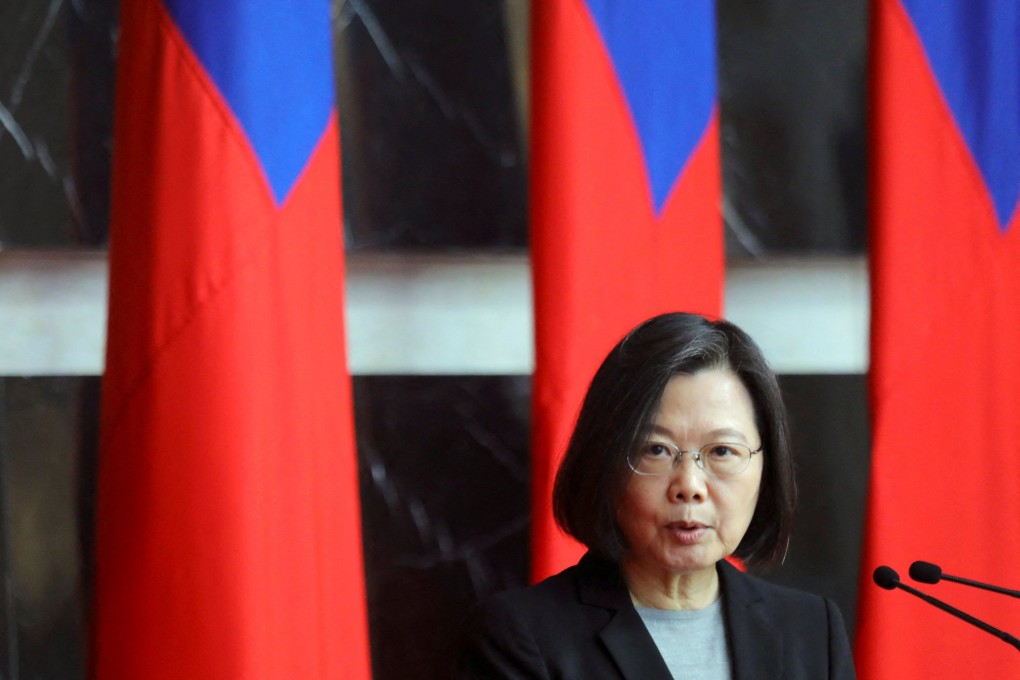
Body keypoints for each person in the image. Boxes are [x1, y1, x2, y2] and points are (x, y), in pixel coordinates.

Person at [456, 312, 855, 679]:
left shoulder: (810, 629)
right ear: (606, 463)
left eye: (721, 452)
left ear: (765, 469)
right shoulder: (522, 636)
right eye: (656, 450)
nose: (689, 486)